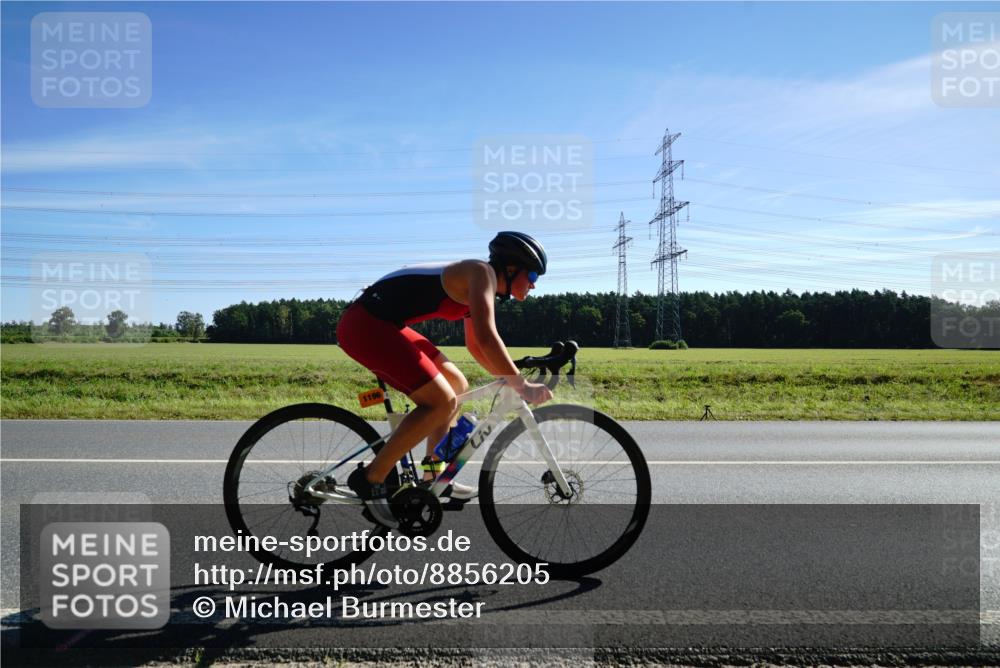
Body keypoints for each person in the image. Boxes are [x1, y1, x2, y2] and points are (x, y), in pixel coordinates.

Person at [335, 231, 554, 527]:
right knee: (440, 402)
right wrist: (521, 384)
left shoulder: (480, 282)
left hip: (384, 323)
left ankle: (431, 478)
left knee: (456, 384)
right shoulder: (482, 273)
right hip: (366, 325)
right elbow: (489, 339)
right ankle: (371, 477)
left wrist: (506, 378)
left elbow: (476, 345)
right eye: (531, 274)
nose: (534, 283)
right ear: (511, 267)